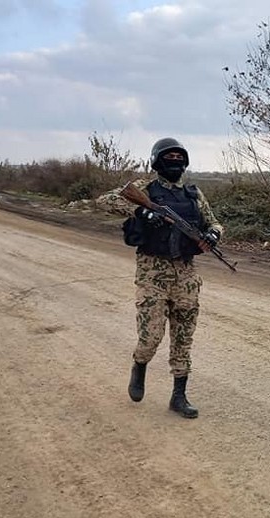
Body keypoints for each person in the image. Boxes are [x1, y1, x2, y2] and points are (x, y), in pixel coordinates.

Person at [96, 137, 223, 418]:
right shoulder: (145, 188)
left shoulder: (193, 194)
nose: (175, 162)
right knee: (151, 337)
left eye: (180, 158)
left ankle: (179, 396)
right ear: (157, 161)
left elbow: (213, 221)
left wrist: (214, 234)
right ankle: (139, 365)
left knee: (183, 336)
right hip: (152, 272)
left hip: (186, 274)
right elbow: (105, 200)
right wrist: (142, 211)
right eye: (170, 157)